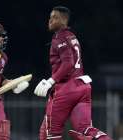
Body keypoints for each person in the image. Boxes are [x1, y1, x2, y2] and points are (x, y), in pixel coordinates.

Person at [34, 6, 112, 140]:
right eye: (50, 17)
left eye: (55, 17)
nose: (50, 20)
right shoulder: (71, 36)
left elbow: (68, 63)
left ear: (64, 20)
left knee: (50, 134)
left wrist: (51, 81)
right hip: (83, 86)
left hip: (66, 88)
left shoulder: (59, 38)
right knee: (85, 129)